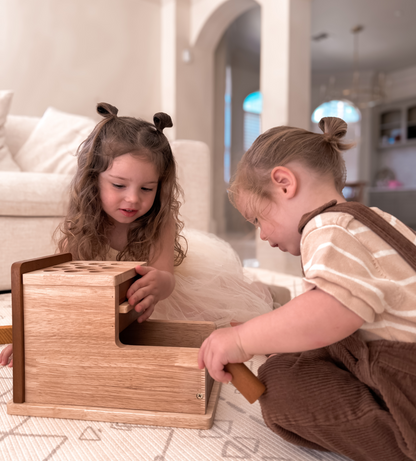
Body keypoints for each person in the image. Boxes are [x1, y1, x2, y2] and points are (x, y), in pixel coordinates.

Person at [198, 117, 416, 461]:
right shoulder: (368, 219)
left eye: (258, 219)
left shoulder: (323, 227)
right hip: (392, 352)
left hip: (407, 381)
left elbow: (333, 311)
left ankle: (402, 445)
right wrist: (270, 335)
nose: (264, 236)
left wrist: (242, 340)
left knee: (281, 392)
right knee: (289, 352)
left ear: (284, 183)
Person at [1, 102, 274, 368]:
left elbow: (167, 278)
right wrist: (31, 336)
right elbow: (63, 294)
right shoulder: (83, 223)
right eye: (119, 185)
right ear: (93, 179)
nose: (132, 199)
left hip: (157, 299)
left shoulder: (158, 220)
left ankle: (264, 292)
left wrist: (160, 284)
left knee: (213, 319)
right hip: (110, 303)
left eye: (147, 189)